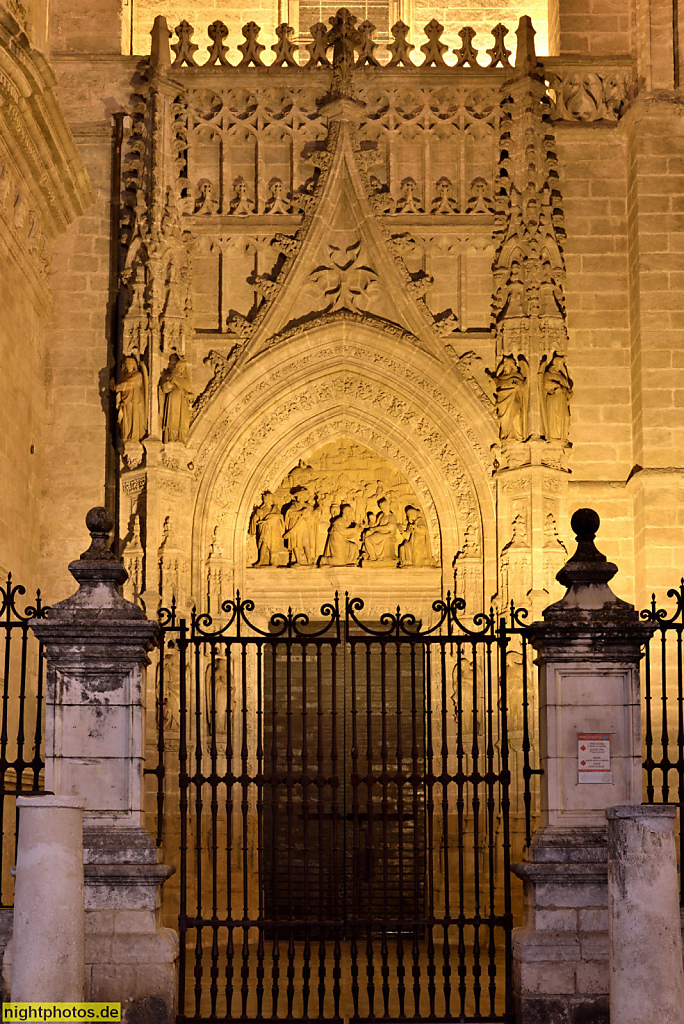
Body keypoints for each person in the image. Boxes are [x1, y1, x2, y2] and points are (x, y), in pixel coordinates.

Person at [110, 356, 146, 443]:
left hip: (135, 399)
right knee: (127, 417)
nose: (128, 365)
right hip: (126, 400)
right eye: (126, 363)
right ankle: (127, 436)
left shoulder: (137, 375)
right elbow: (123, 386)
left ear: (134, 365)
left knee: (134, 417)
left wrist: (115, 387)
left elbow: (128, 384)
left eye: (130, 363)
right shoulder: (124, 376)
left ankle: (134, 437)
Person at [160, 353, 192, 443]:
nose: (180, 369)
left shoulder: (184, 380)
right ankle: (171, 437)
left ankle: (180, 437)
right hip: (173, 400)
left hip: (182, 401)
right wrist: (169, 384)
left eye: (182, 368)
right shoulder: (169, 377)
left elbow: (188, 389)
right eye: (179, 367)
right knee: (173, 419)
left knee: (183, 421)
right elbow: (164, 389)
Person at [362, 497, 399, 563]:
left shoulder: (392, 516)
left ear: (388, 506)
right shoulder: (381, 515)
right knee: (366, 536)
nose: (383, 508)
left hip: (387, 534)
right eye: (381, 507)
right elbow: (376, 524)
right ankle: (371, 556)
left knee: (368, 539)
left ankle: (379, 557)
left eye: (384, 506)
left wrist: (377, 528)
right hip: (378, 533)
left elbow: (390, 527)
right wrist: (371, 525)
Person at [283, 488, 315, 565]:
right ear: (299, 496)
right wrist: (300, 512)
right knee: (296, 544)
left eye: (305, 495)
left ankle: (309, 561)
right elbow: (290, 514)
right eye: (303, 495)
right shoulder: (294, 505)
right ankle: (298, 560)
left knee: (306, 543)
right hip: (296, 528)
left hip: (305, 527)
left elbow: (312, 516)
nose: (304, 496)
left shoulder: (308, 506)